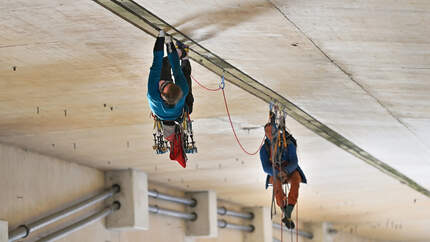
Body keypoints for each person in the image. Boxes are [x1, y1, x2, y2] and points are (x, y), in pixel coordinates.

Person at [147, 30, 189, 167]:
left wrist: (160, 39)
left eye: (163, 85)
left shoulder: (154, 94)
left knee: (160, 66)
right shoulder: (183, 89)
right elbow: (176, 68)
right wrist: (169, 43)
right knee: (168, 66)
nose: (162, 82)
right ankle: (180, 53)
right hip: (172, 112)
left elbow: (155, 64)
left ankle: (180, 52)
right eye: (165, 83)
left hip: (164, 111)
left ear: (162, 96)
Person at [260, 122, 307, 229]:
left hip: (289, 170)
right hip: (275, 172)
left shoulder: (288, 143)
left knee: (296, 180)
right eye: (269, 133)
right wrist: (277, 173)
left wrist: (286, 171)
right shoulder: (264, 149)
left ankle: (289, 210)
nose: (271, 135)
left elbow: (294, 161)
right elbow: (265, 168)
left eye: (273, 132)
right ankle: (285, 210)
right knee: (277, 186)